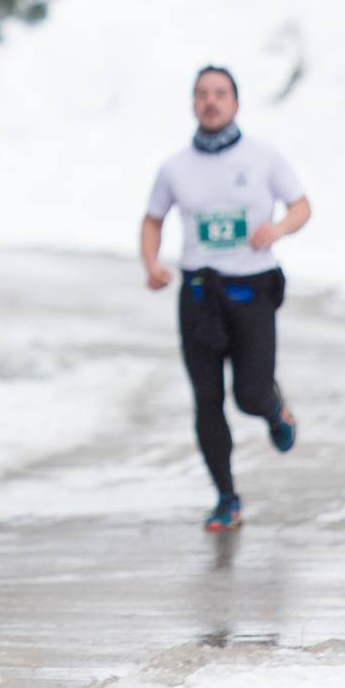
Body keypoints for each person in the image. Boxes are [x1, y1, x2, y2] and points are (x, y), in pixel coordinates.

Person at [141, 65, 311, 532]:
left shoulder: (263, 158)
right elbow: (153, 219)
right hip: (199, 294)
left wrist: (276, 228)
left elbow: (301, 206)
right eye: (202, 94)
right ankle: (226, 497)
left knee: (250, 394)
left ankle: (273, 408)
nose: (210, 101)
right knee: (207, 400)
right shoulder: (175, 167)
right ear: (194, 103)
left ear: (236, 103)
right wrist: (152, 263)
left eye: (219, 93)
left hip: (253, 289)